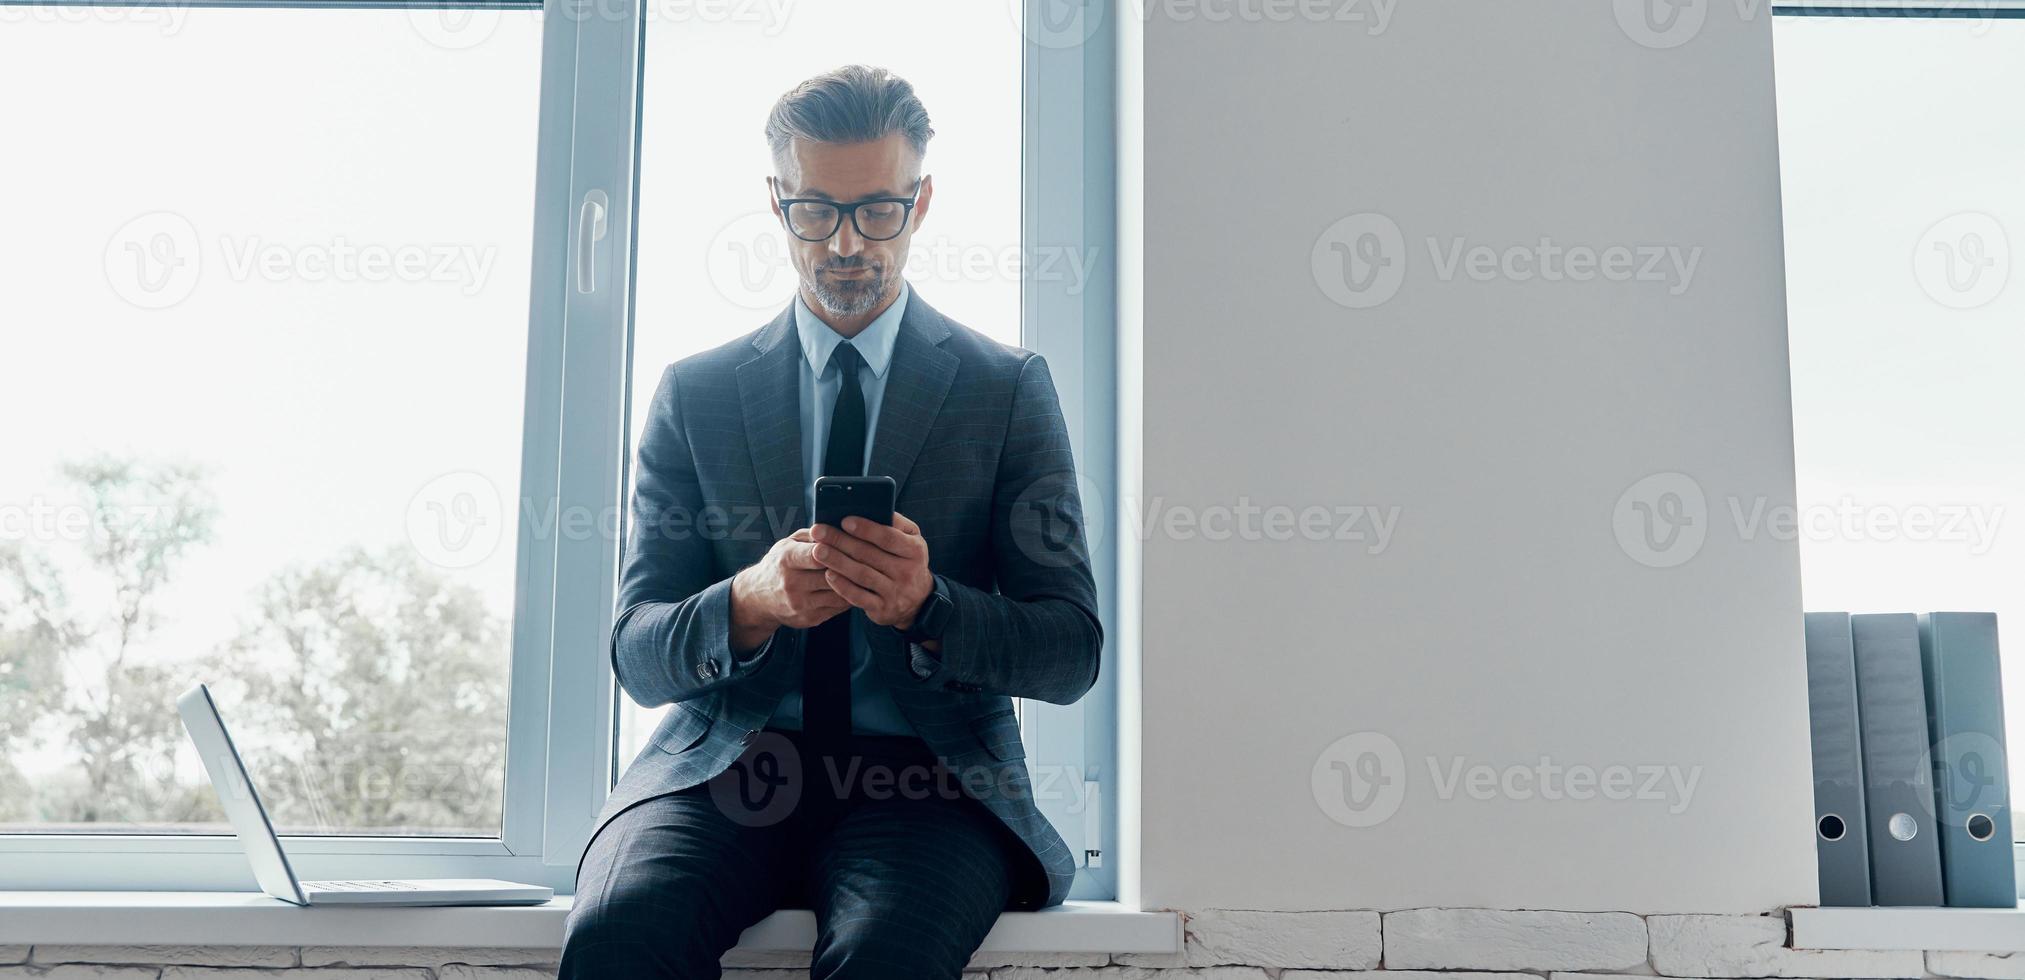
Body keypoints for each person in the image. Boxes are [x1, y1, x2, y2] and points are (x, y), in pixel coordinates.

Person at [557, 64, 1102, 979]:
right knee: (621, 937)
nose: (847, 244)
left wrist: (930, 606)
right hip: (723, 771)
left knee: (884, 958)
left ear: (921, 202)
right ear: (777, 203)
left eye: (878, 211)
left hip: (925, 782)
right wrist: (747, 600)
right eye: (816, 212)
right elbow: (636, 652)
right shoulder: (697, 394)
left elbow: (1070, 651)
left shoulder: (1005, 391)